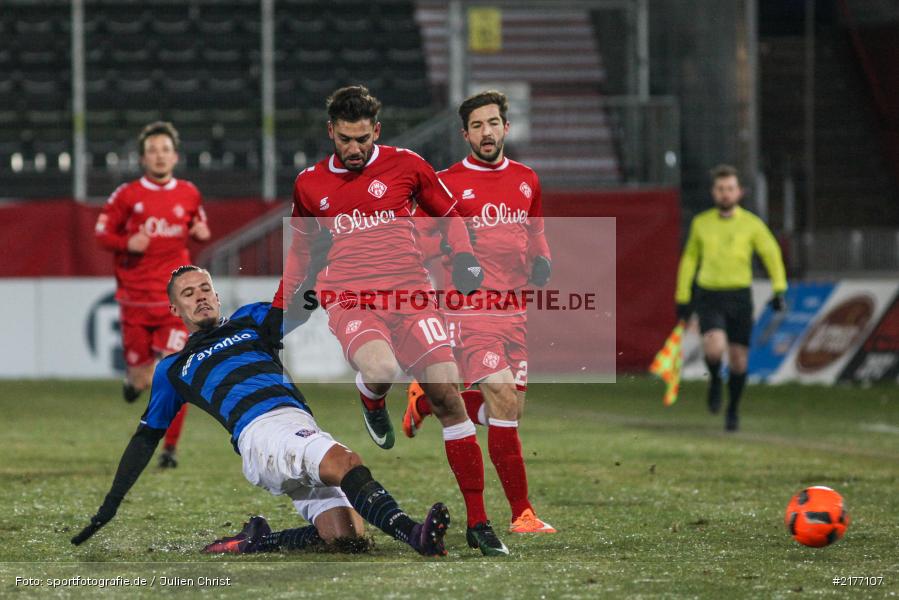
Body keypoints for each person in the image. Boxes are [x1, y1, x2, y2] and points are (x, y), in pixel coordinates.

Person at [70, 266, 450, 557]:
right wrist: (109, 506)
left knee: (347, 537)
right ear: (175, 308)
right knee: (345, 462)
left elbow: (301, 304)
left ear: (217, 296)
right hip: (262, 434)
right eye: (188, 293)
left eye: (205, 289)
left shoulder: (252, 320)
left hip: (298, 425)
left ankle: (256, 541)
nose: (200, 297)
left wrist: (324, 258)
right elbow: (145, 437)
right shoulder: (175, 367)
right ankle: (415, 534)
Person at [275, 85, 508, 556]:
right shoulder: (309, 184)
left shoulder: (407, 164)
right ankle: (372, 396)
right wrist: (281, 309)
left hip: (412, 295)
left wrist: (463, 256)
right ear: (331, 133)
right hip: (352, 298)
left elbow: (451, 214)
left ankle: (479, 523)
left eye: (362, 138)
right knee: (380, 369)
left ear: (376, 131)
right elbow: (301, 251)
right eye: (345, 139)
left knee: (447, 394)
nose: (354, 148)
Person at [403, 90, 556, 535]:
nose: (486, 132)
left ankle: (429, 402)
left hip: (514, 310)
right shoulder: (445, 182)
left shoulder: (527, 179)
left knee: (507, 411)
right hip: (469, 309)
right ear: (464, 134)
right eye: (477, 126)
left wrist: (542, 258)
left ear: (506, 128)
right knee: (504, 399)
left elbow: (536, 231)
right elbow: (418, 238)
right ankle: (521, 513)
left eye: (493, 123)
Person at [94, 121, 210, 468]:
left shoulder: (189, 192)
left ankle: (169, 450)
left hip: (175, 301)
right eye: (152, 151)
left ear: (174, 156)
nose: (159, 156)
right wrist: (126, 242)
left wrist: (201, 232)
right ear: (143, 158)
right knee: (143, 378)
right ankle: (132, 383)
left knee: (174, 374)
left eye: (165, 150)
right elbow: (101, 234)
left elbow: (199, 225)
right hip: (135, 301)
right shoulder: (127, 195)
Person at [675, 164, 787, 431]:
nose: (725, 193)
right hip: (710, 294)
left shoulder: (751, 224)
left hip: (739, 296)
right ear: (714, 192)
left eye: (730, 189)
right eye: (721, 189)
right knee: (714, 347)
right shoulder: (702, 223)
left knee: (739, 360)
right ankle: (715, 380)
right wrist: (682, 296)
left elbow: (771, 254)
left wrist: (779, 289)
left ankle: (733, 409)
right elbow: (690, 259)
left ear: (739, 192)